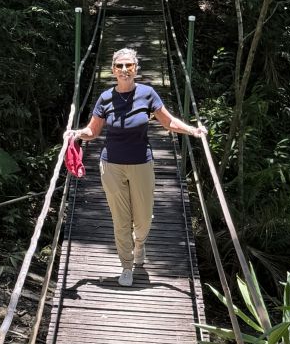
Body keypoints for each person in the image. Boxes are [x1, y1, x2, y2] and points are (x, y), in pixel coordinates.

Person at [66, 47, 205, 286]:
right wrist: (78, 133)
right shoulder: (105, 98)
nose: (124, 70)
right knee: (121, 220)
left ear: (135, 69)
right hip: (111, 166)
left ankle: (140, 244)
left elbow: (168, 121)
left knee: (143, 221)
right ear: (112, 70)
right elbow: (93, 130)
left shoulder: (148, 94)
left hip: (141, 163)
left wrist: (192, 130)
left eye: (128, 66)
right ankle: (126, 266)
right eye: (119, 66)